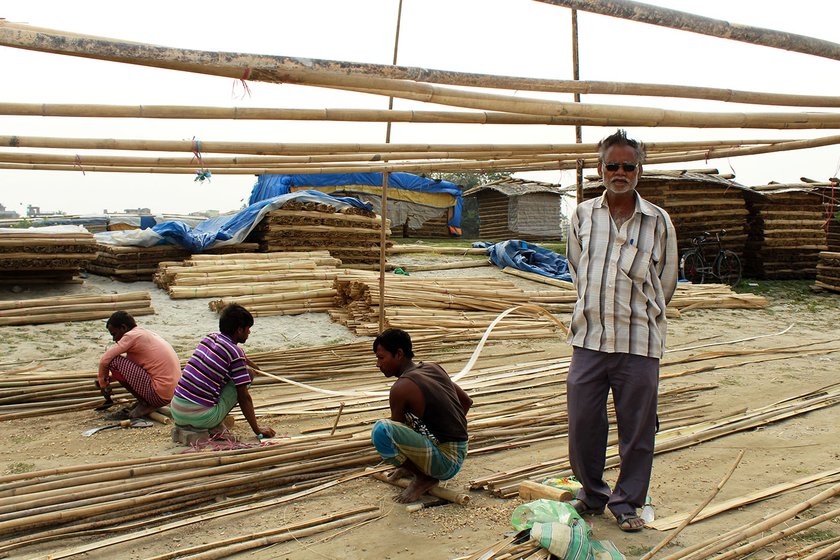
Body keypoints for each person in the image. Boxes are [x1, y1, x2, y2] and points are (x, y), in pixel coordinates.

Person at [565, 129, 678, 532]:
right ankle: (592, 493)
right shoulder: (581, 215)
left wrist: (643, 314)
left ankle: (627, 502)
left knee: (638, 428)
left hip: (639, 341)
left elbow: (666, 281)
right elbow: (577, 269)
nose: (619, 172)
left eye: (628, 166)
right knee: (582, 422)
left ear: (638, 171)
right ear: (600, 169)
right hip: (589, 338)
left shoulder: (658, 221)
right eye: (612, 165)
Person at [370, 328, 472, 503]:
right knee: (408, 426)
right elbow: (466, 402)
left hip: (446, 464)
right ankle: (417, 468)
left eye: (381, 357)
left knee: (382, 430)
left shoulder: (401, 388)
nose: (378, 364)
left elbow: (396, 435)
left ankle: (423, 477)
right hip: (461, 452)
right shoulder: (433, 368)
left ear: (399, 354)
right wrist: (449, 432)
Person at [170, 304, 275, 441]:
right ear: (239, 330)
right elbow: (244, 397)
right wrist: (257, 429)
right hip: (201, 418)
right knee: (247, 376)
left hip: (177, 411)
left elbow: (237, 354)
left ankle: (209, 417)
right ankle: (214, 424)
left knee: (234, 375)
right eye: (248, 329)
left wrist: (251, 363)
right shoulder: (234, 353)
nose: (249, 333)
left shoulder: (209, 338)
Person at [98, 311, 181, 419]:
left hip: (159, 395)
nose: (114, 339)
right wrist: (109, 379)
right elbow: (131, 374)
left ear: (123, 328)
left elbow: (105, 360)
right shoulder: (143, 334)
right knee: (117, 363)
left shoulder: (131, 336)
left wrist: (103, 383)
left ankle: (145, 404)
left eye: (114, 334)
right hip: (173, 393)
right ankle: (148, 402)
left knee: (114, 362)